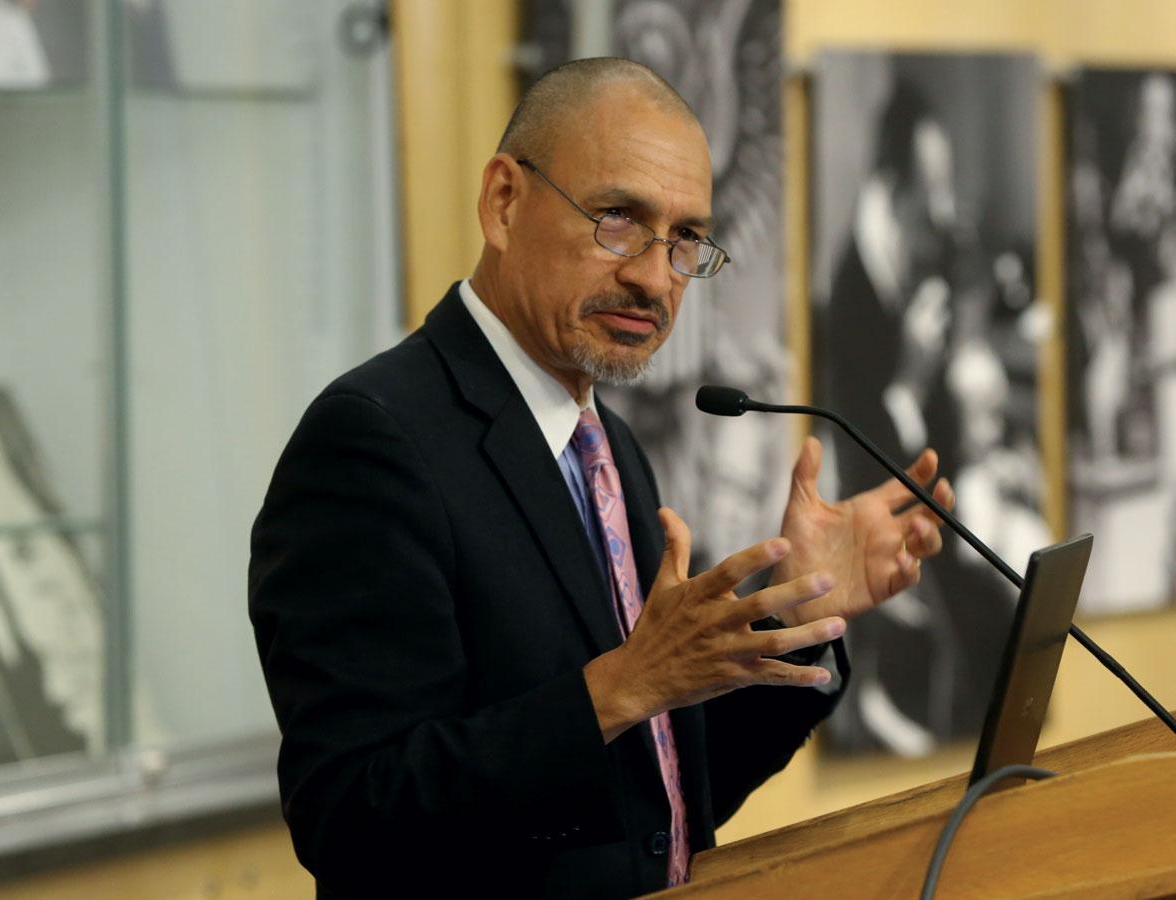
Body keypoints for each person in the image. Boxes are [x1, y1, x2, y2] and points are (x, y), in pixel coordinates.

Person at [248, 57, 953, 899]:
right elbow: (353, 817)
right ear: (504, 202)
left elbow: (659, 803)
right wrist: (620, 687)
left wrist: (801, 613)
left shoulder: (609, 445)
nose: (655, 277)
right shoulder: (374, 441)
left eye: (686, 238)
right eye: (618, 218)